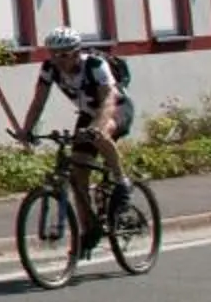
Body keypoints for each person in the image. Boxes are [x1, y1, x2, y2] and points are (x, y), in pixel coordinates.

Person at [15, 28, 131, 250]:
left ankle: (121, 180)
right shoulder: (50, 68)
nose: (59, 60)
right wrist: (26, 130)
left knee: (101, 133)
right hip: (87, 113)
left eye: (64, 54)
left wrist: (98, 126)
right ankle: (89, 229)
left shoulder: (95, 65)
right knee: (78, 176)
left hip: (116, 108)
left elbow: (108, 98)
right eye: (54, 54)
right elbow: (38, 101)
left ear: (77, 52)